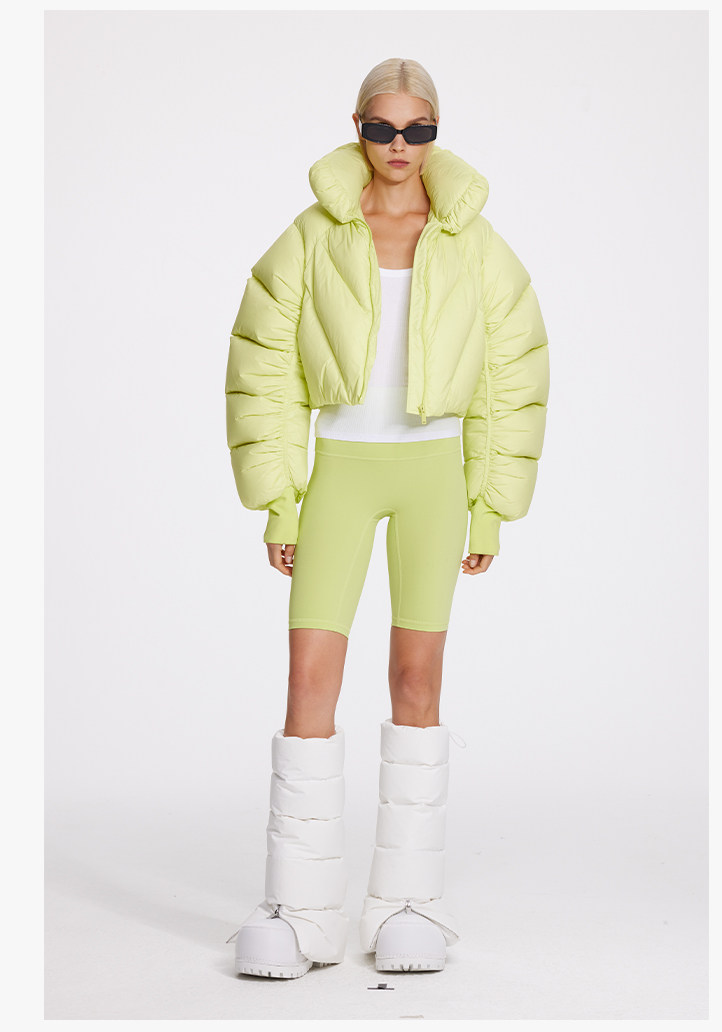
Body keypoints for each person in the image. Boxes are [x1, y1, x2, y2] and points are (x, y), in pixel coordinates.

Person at [224, 57, 550, 978]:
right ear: (357, 128)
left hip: (434, 477)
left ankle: (409, 902)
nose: (399, 147)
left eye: (418, 131)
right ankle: (300, 909)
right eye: (382, 129)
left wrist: (489, 507)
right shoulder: (313, 234)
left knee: (416, 679)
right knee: (309, 679)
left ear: (436, 134)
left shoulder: (475, 243)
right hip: (340, 471)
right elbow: (264, 365)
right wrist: (280, 498)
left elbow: (511, 373)